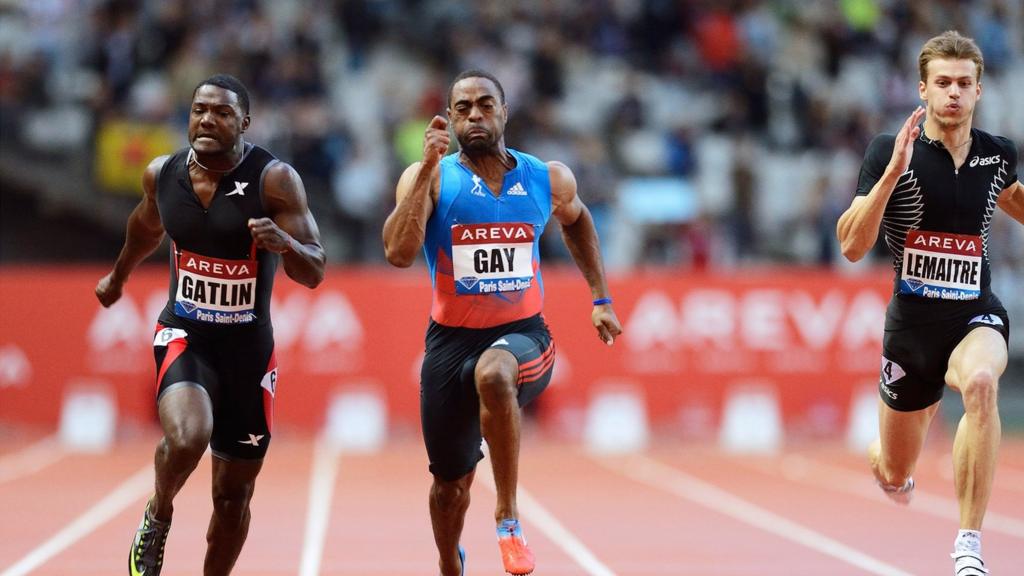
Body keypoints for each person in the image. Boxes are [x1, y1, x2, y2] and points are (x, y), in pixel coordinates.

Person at [382, 69, 622, 576]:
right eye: (462, 107)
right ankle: (451, 560)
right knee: (449, 489)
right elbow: (398, 253)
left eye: (485, 104)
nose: (474, 115)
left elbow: (577, 219)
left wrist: (600, 296)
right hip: (448, 346)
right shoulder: (431, 177)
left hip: (526, 336)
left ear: (504, 111)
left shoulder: (546, 177)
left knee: (494, 373)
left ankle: (509, 520)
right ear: (448, 116)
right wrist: (426, 165)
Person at [95, 74, 326, 576]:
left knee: (232, 498)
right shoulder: (164, 173)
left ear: (244, 122)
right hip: (185, 332)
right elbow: (144, 229)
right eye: (200, 109)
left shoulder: (274, 179)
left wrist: (285, 245)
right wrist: (116, 279)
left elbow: (315, 270)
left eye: (222, 112)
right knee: (187, 437)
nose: (208, 119)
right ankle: (158, 516)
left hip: (247, 350)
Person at [837, 31, 1023, 575]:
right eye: (942, 83)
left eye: (964, 83)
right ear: (922, 89)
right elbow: (851, 246)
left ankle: (968, 543)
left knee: (983, 385)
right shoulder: (887, 152)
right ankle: (890, 467)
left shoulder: (997, 155)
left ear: (979, 91)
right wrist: (891, 174)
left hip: (974, 316)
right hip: (912, 332)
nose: (954, 93)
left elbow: (1013, 199)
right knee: (895, 471)